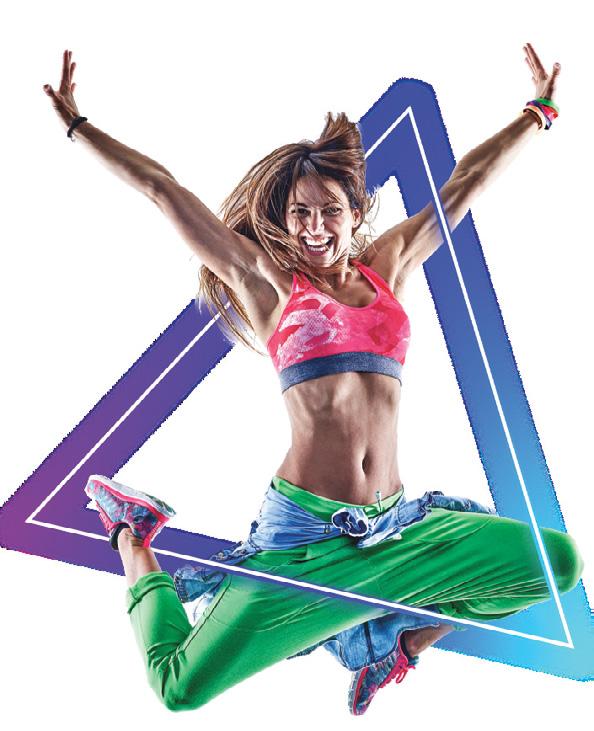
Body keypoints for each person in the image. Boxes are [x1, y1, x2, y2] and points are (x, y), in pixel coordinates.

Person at [43, 44, 583, 716]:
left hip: (395, 530)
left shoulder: (391, 265)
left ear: (356, 212)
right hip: (304, 544)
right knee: (180, 687)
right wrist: (79, 124)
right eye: (300, 213)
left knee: (554, 564)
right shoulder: (269, 286)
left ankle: (398, 643)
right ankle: (131, 531)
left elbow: (465, 184)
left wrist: (537, 112)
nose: (315, 227)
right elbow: (163, 189)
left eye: (330, 210)